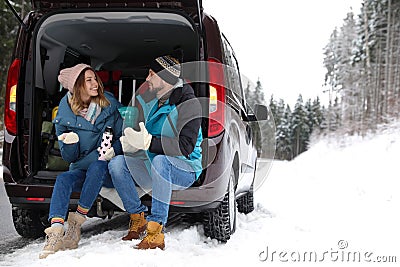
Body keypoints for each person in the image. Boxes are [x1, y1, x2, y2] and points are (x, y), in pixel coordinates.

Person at [108, 52, 203, 250]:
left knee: (161, 161)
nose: (147, 78)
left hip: (185, 168)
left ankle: (156, 230)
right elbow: (138, 131)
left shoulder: (189, 104)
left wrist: (150, 142)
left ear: (166, 77)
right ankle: (138, 217)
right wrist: (130, 142)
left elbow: (186, 147)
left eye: (151, 74)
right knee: (117, 164)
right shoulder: (150, 100)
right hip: (153, 164)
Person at [40, 64, 123, 259]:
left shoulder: (109, 105)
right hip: (81, 167)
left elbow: (123, 135)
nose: (96, 83)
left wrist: (114, 150)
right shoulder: (64, 117)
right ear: (77, 86)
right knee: (63, 179)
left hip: (107, 168)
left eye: (95, 79)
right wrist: (69, 145)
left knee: (97, 166)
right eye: (89, 80)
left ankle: (76, 223)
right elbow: (69, 159)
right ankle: (56, 231)